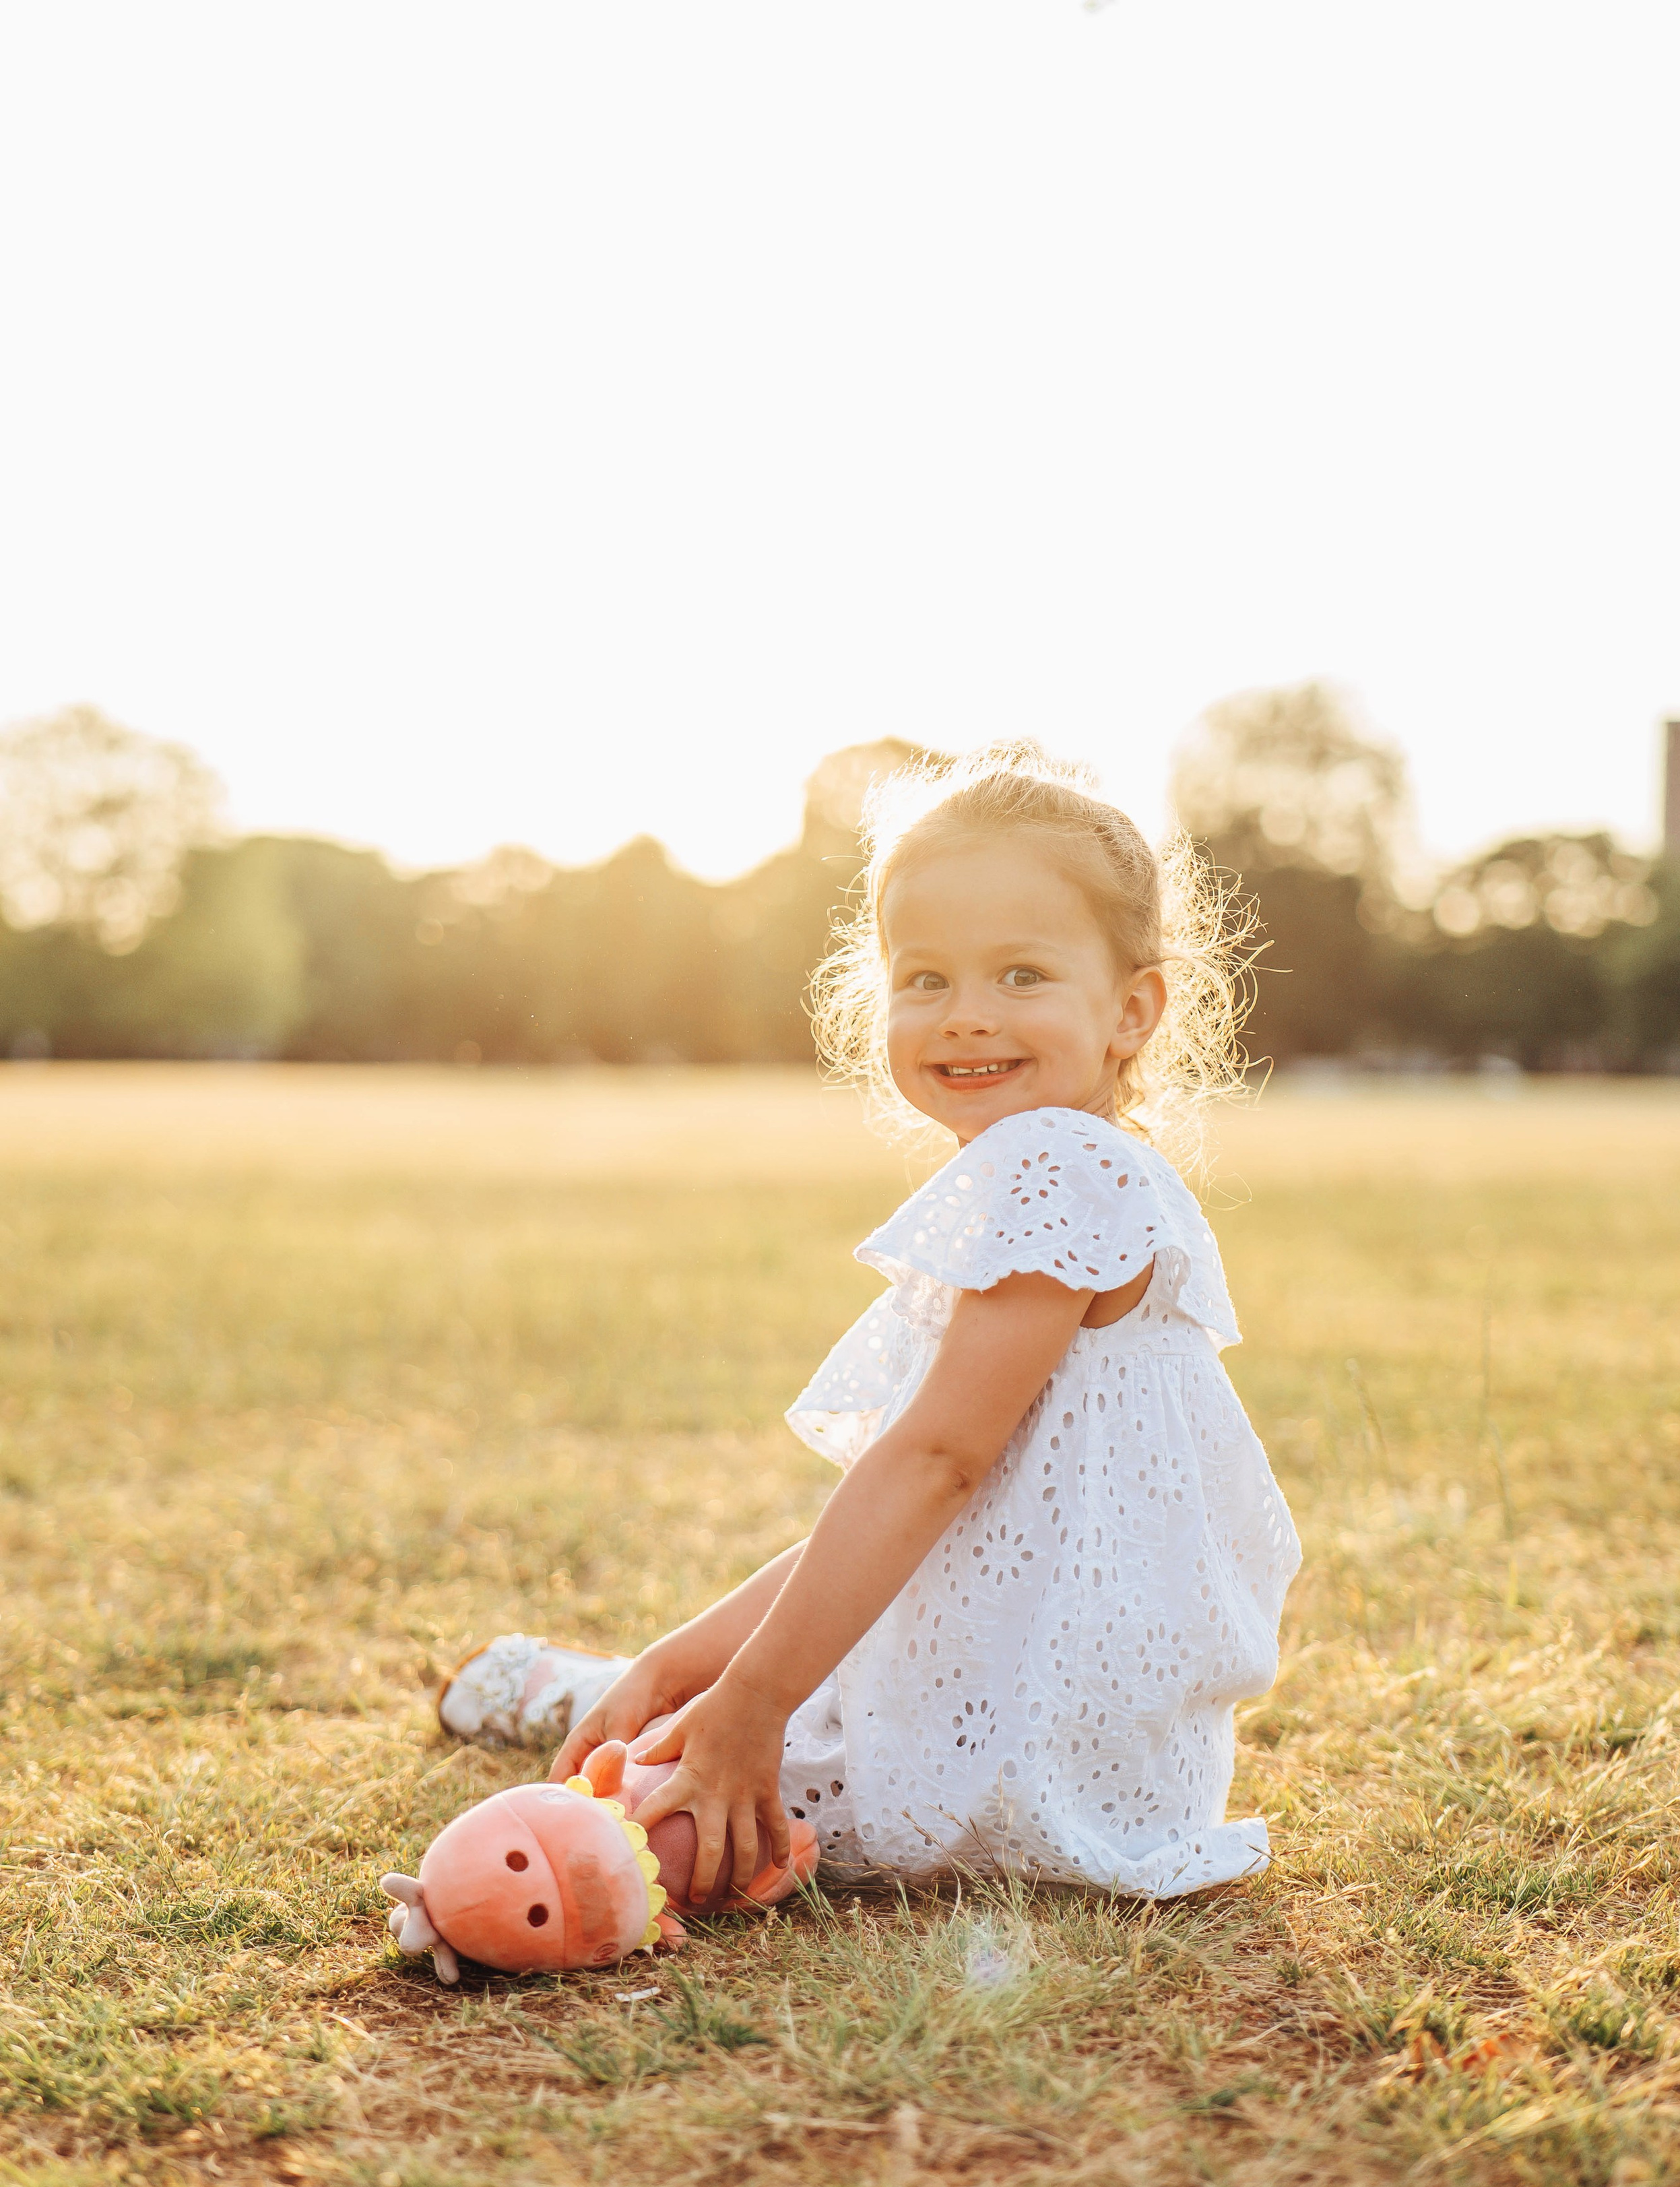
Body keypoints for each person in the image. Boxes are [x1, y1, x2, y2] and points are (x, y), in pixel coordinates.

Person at [440, 744, 1299, 1911]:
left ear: (1132, 1009)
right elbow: (930, 1506)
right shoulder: (1082, 1170)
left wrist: (748, 1704)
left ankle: (565, 1686)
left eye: (1023, 975)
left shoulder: (1058, 1167)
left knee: (657, 1819)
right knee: (676, 1751)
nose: (967, 1016)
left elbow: (933, 1470)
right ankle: (611, 1683)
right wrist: (696, 1662)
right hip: (1109, 1767)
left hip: (1021, 1744)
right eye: (926, 979)